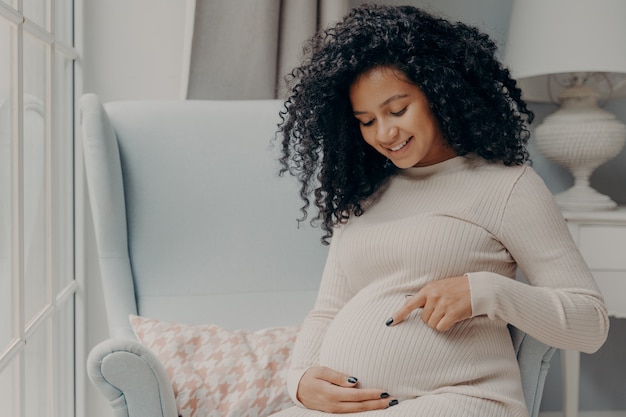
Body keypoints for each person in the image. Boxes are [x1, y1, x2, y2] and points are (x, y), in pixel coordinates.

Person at [272, 4, 609, 417]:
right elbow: (328, 309)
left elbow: (590, 323)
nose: (385, 133)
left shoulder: (506, 186)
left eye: (397, 110)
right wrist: (301, 380)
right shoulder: (364, 196)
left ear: (438, 92)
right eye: (366, 120)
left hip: (461, 400)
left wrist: (485, 291)